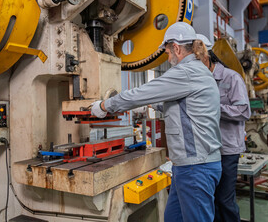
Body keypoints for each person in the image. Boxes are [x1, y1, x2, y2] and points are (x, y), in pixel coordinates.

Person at [91, 22, 222, 222]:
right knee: (172, 218)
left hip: (196, 168)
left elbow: (142, 93)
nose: (168, 58)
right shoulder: (198, 71)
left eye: (168, 52)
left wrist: (104, 106)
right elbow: (184, 107)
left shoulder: (185, 72)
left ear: (176, 48)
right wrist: (151, 107)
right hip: (188, 166)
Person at [196, 34, 251, 222]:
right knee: (210, 199)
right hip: (207, 149)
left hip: (227, 149)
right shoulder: (199, 80)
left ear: (206, 56)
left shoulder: (231, 78)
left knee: (224, 199)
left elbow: (244, 111)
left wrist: (214, 108)